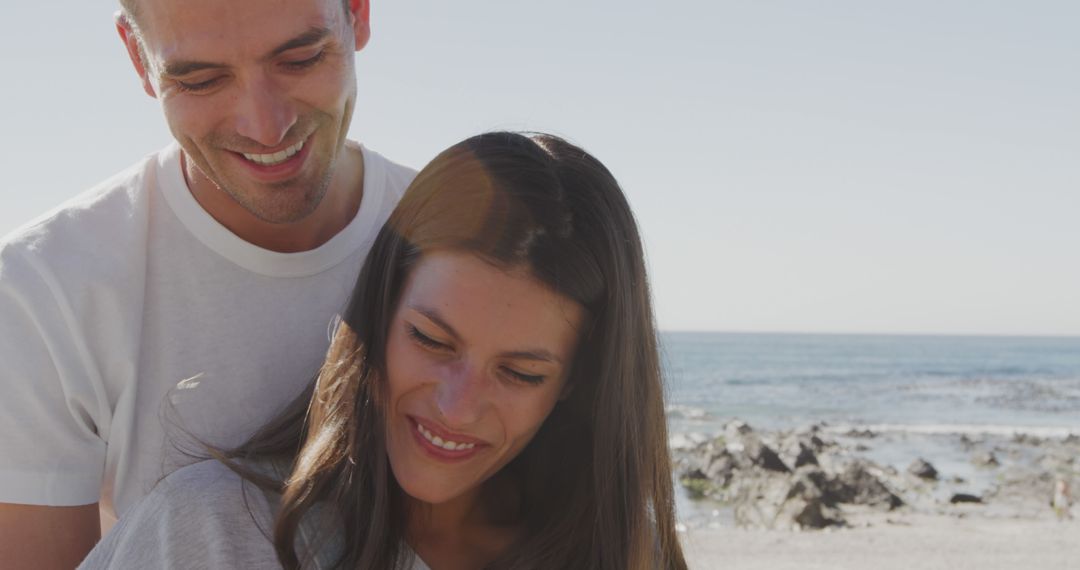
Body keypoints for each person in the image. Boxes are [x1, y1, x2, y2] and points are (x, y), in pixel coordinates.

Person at [79, 132, 688, 569]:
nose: (456, 406)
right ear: (379, 312)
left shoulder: (627, 551)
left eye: (520, 373)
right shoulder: (213, 530)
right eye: (430, 339)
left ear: (578, 380)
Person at [0, 0, 415, 567]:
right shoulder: (42, 290)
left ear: (359, 15)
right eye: (200, 80)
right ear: (138, 59)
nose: (265, 125)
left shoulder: (471, 246)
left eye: (300, 58)